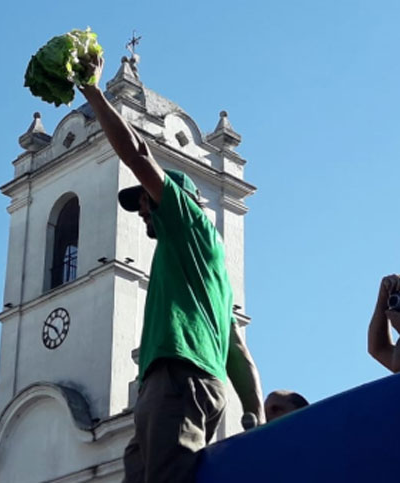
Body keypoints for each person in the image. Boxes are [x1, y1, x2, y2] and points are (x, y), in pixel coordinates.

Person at [78, 57, 263, 483]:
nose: (142, 211)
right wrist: (254, 413)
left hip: (180, 380)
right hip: (181, 384)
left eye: (144, 200)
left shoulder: (188, 224)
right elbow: (237, 351)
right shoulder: (205, 271)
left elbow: (138, 154)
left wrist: (91, 92)